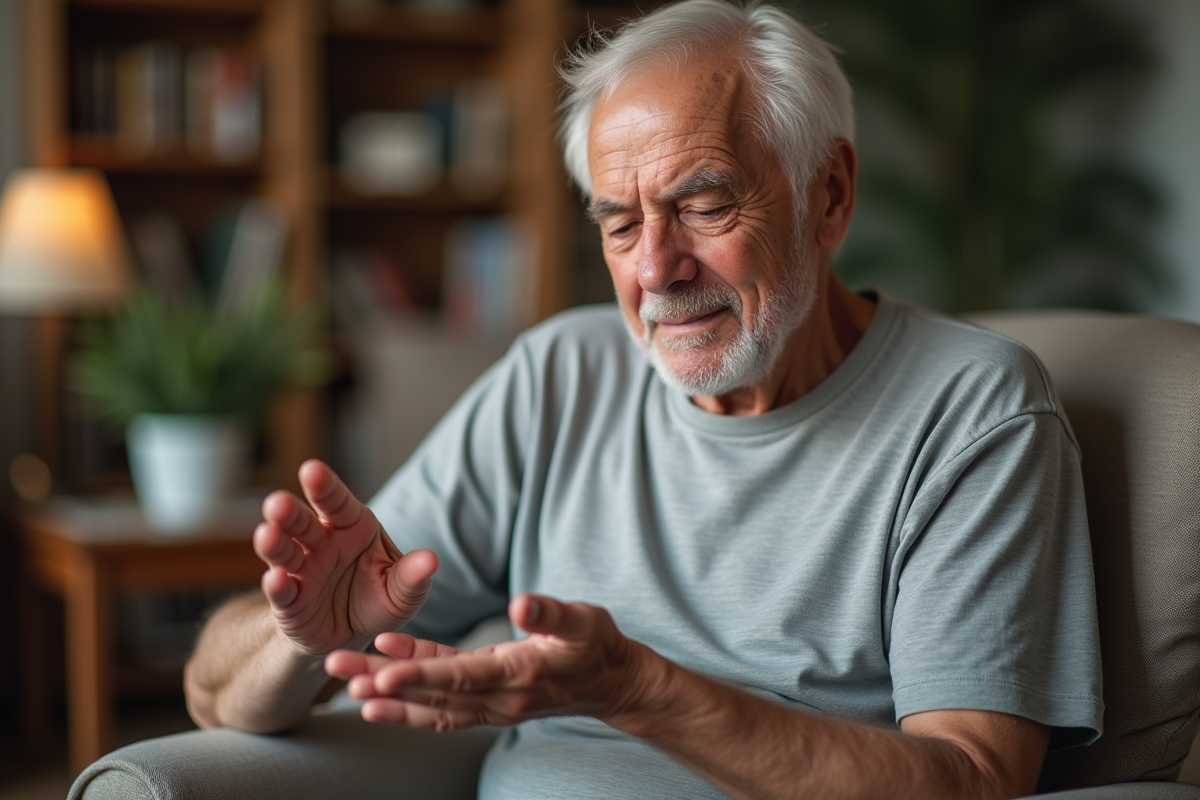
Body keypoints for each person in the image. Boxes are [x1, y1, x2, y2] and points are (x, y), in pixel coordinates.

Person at [184, 1, 1103, 798]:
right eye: (621, 224)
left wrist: (636, 689)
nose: (655, 269)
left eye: (703, 206)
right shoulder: (559, 376)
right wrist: (298, 640)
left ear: (829, 194)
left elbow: (977, 779)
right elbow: (212, 696)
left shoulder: (975, 409)